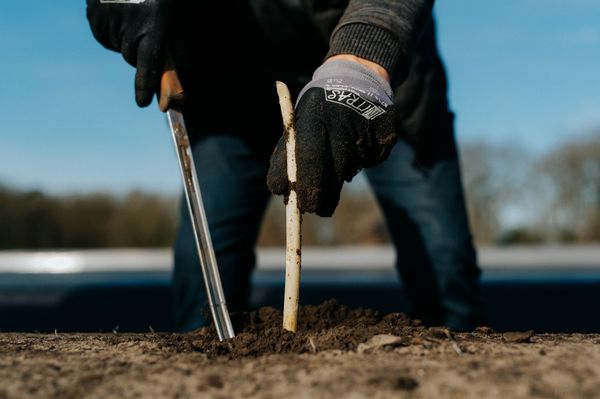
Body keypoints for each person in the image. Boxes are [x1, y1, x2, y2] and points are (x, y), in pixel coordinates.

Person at [86, 0, 483, 331]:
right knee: (205, 269)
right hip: (231, 89)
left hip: (376, 77)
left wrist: (360, 68)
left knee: (444, 263)